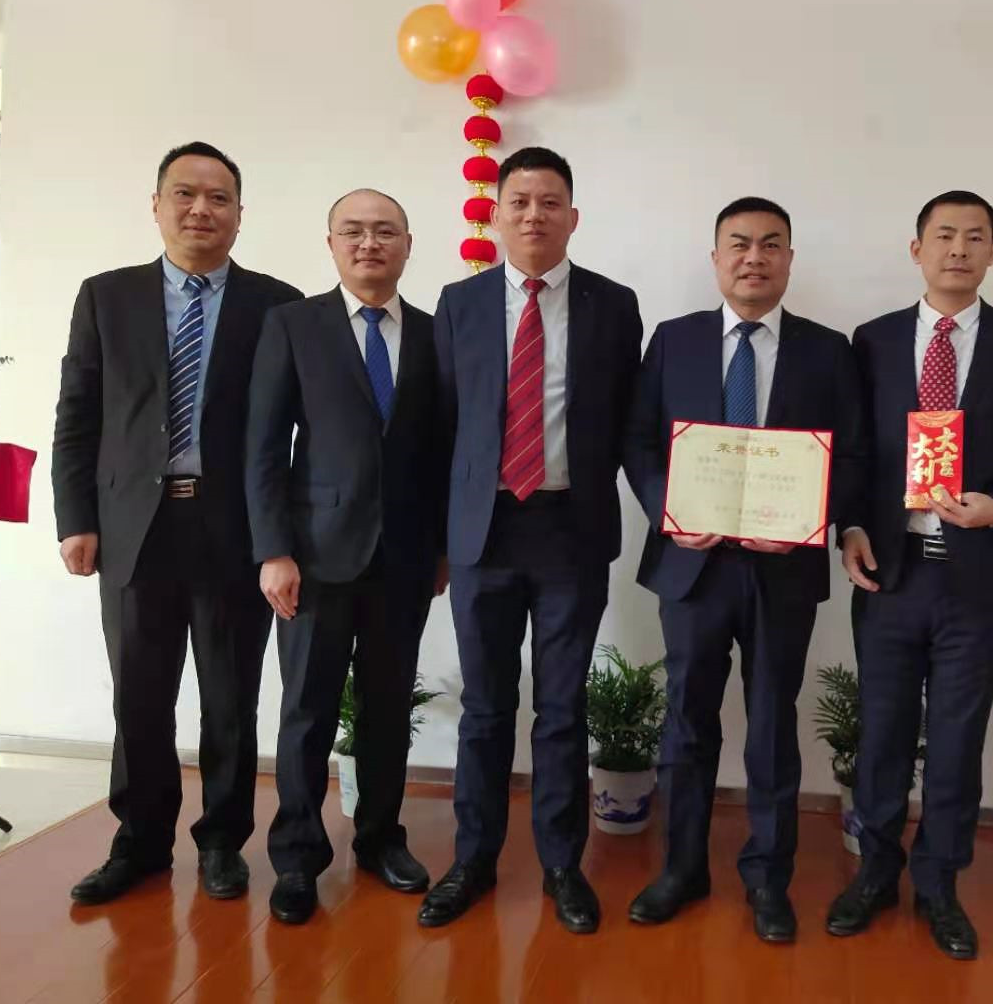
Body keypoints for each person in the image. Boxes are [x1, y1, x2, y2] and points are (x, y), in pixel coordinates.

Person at [52, 141, 300, 904]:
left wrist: (282, 538)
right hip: (134, 528)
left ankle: (222, 841)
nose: (201, 209)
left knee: (230, 698)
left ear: (239, 214)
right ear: (156, 205)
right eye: (185, 194)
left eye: (218, 198)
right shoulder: (107, 297)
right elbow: (78, 416)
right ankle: (140, 842)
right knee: (139, 697)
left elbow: (296, 430)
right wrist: (75, 517)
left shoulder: (278, 305)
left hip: (235, 530)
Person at [828, 192, 993, 958]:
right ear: (917, 249)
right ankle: (874, 873)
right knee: (884, 733)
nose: (958, 249)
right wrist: (850, 527)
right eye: (944, 235)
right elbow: (855, 450)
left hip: (978, 577)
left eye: (974, 237)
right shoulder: (873, 340)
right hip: (890, 573)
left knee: (959, 739)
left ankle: (939, 885)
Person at [623, 197, 866, 944]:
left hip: (782, 571)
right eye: (739, 244)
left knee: (771, 727)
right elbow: (639, 443)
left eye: (770, 245)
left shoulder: (829, 350)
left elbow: (854, 453)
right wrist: (670, 509)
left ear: (789, 259)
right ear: (716, 258)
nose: (753, 257)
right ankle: (682, 869)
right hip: (692, 566)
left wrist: (810, 520)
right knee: (686, 724)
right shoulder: (674, 339)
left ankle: (767, 878)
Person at [419, 148, 643, 935]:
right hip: (482, 531)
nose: (533, 215)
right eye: (519, 201)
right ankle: (473, 860)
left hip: (570, 529)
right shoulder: (460, 303)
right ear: (496, 213)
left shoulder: (614, 306)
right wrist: (437, 541)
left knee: (561, 707)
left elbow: (628, 421)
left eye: (549, 202)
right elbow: (440, 428)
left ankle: (560, 864)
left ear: (572, 217)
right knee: (485, 707)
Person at [245, 188, 449, 924]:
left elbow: (443, 452)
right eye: (354, 231)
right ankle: (297, 857)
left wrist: (442, 548)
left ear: (407, 244)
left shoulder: (434, 333)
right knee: (307, 710)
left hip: (405, 559)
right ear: (331, 243)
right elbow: (264, 445)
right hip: (313, 556)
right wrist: (273, 549)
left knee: (388, 709)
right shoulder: (293, 325)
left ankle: (380, 839)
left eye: (385, 231)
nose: (370, 243)